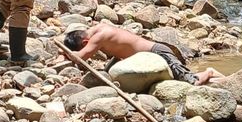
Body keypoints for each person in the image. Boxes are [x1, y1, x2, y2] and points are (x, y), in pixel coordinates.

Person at [62, 24, 223, 85]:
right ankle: (221, 80)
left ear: (85, 42)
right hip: (149, 57)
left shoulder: (99, 37)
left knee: (191, 82)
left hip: (157, 53)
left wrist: (63, 53)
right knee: (179, 82)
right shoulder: (97, 28)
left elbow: (80, 57)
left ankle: (209, 71)